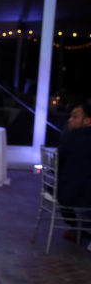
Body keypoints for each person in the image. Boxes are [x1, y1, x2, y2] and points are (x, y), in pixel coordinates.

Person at [57, 101, 91, 246]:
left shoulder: (68, 137)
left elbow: (58, 165)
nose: (70, 120)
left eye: (74, 117)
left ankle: (80, 229)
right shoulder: (71, 138)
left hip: (68, 193)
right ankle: (83, 229)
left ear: (88, 121)